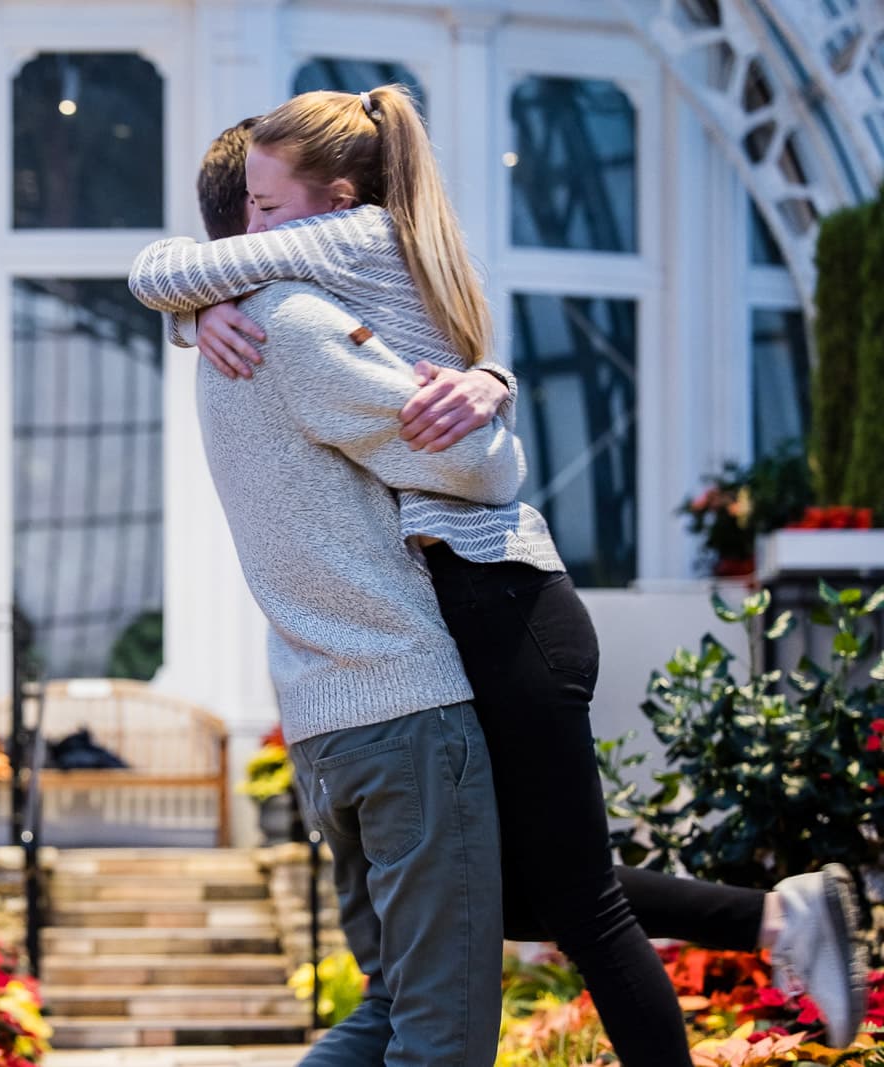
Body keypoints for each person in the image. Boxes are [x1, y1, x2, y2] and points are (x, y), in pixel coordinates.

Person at [129, 88, 868, 1064]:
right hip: (469, 610)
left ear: (329, 203)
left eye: (269, 214)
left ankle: (780, 917)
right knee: (525, 894)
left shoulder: (327, 270)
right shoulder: (314, 299)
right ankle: (778, 914)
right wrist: (202, 311)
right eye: (253, 215)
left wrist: (486, 399)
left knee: (581, 908)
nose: (252, 236)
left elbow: (484, 464)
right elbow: (174, 274)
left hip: (501, 599)